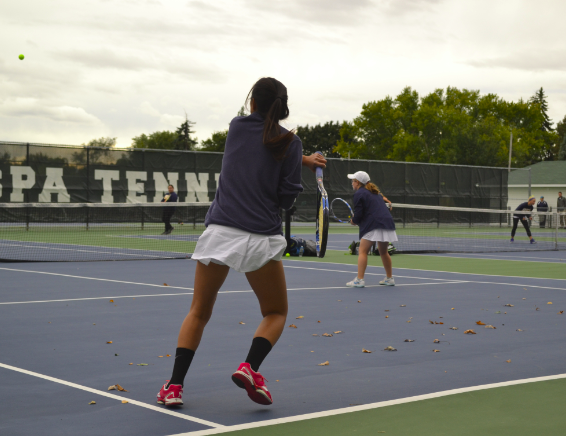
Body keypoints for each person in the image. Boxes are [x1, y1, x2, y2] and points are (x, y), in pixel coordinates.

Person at [157, 77, 322, 408]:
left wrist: (299, 158)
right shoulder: (292, 143)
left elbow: (257, 149)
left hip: (220, 234)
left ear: (253, 103)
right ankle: (250, 367)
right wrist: (300, 164)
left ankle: (174, 386)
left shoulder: (236, 127)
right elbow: (287, 197)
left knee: (199, 312)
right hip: (262, 239)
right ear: (283, 105)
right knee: (275, 312)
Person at [346, 171, 398, 287]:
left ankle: (359, 280)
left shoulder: (359, 194)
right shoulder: (376, 194)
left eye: (353, 181)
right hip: (387, 223)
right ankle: (389, 278)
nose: (352, 183)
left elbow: (358, 215)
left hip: (374, 224)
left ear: (357, 183)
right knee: (383, 252)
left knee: (363, 251)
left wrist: (353, 221)